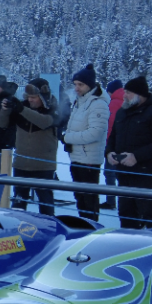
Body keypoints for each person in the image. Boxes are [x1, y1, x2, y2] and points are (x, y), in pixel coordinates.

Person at [105, 76, 152, 229]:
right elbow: (113, 136)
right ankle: (129, 242)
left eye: (128, 92)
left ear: (139, 94)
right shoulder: (122, 112)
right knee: (126, 214)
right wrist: (109, 152)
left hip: (145, 173)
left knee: (149, 214)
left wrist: (136, 157)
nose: (124, 95)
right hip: (123, 173)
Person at [0, 78, 59, 216]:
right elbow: (2, 123)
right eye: (28, 97)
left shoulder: (53, 107)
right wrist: (5, 110)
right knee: (18, 205)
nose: (30, 100)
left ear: (42, 97)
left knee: (46, 206)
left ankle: (49, 227)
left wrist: (21, 109)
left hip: (43, 166)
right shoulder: (23, 107)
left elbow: (44, 122)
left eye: (34, 97)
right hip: (22, 164)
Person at [63, 65, 110, 221]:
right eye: (75, 84)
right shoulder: (80, 102)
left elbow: (95, 133)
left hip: (89, 160)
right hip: (77, 157)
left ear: (90, 85)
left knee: (89, 200)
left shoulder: (98, 104)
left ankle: (91, 228)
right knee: (80, 198)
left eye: (80, 85)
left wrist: (68, 137)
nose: (76, 88)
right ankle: (84, 225)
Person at [101, 79, 125, 210]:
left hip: (113, 144)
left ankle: (111, 201)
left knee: (109, 173)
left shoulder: (113, 104)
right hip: (124, 144)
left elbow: (109, 126)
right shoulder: (126, 101)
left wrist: (107, 143)